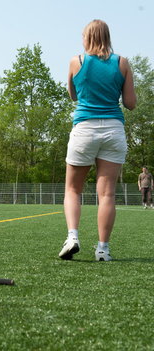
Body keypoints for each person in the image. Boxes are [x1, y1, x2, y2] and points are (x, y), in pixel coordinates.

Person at [59, 20, 137, 262]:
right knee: (107, 195)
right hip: (113, 129)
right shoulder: (122, 63)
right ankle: (102, 249)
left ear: (87, 38)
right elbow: (131, 103)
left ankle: (72, 237)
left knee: (73, 189)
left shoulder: (76, 61)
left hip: (84, 128)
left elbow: (73, 95)